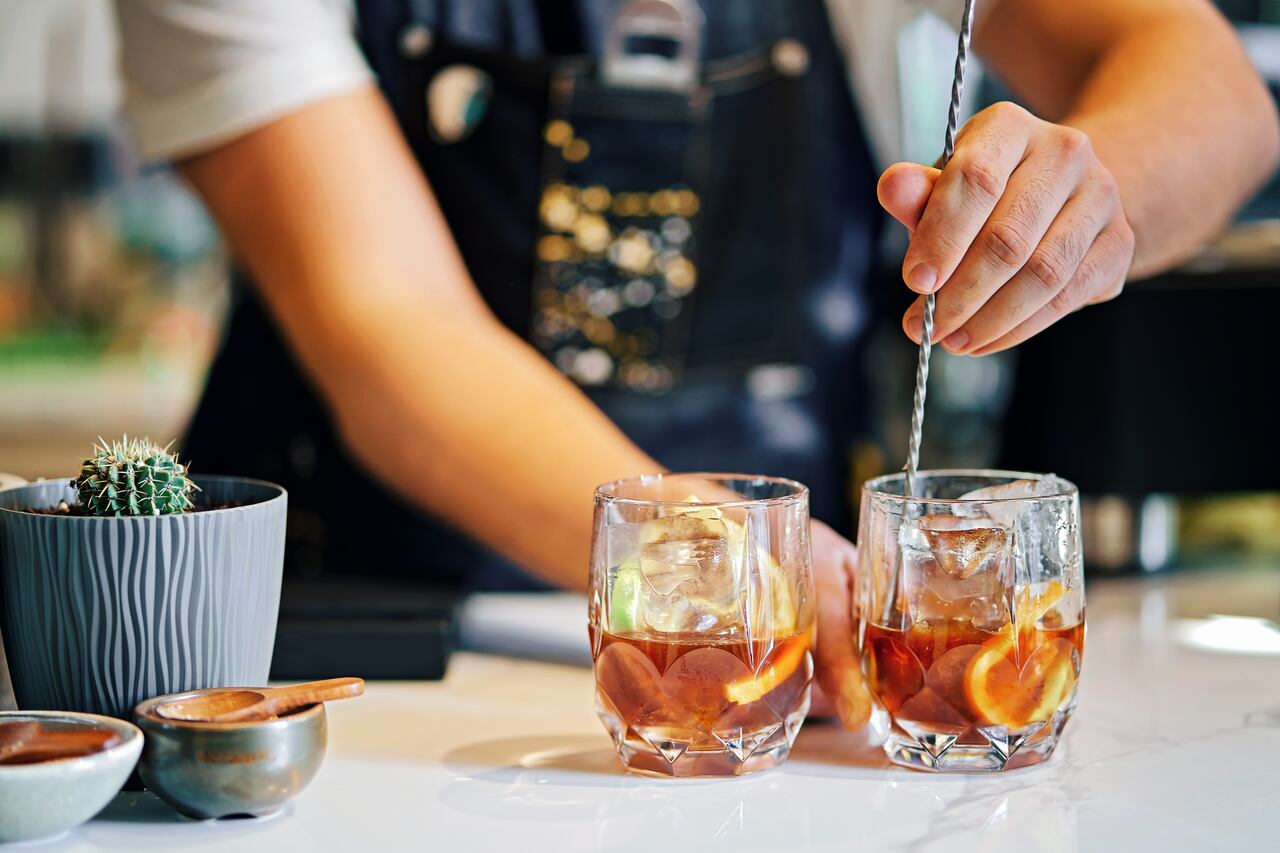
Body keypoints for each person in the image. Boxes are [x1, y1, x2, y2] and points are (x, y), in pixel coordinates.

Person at [114, 0, 1277, 729]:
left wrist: (1091, 193)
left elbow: (1210, 84)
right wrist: (725, 561)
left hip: (797, 669)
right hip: (357, 667)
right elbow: (389, 330)